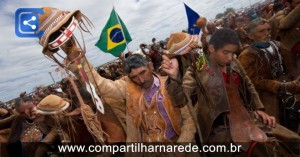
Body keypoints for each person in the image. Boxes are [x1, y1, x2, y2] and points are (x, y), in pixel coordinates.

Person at [161, 28, 300, 156]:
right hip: (221, 129)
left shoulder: (230, 58)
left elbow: (248, 83)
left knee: (292, 141)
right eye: (188, 52)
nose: (195, 52)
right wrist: (173, 78)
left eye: (194, 47)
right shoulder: (193, 73)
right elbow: (182, 99)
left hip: (248, 117)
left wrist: (259, 108)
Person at [238, 18, 300, 129]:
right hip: (267, 97)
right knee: (277, 128)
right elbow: (252, 81)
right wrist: (279, 86)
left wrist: (295, 81)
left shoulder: (278, 45)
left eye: (268, 29)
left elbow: (292, 68)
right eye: (261, 31)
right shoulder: (247, 55)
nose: (267, 33)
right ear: (251, 36)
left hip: (289, 88)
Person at [269, 0, 300, 75]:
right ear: (288, 3)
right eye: (297, 3)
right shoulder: (281, 14)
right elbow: (284, 24)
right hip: (293, 54)